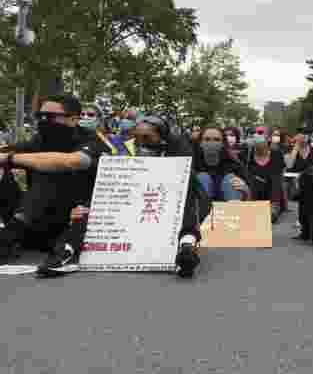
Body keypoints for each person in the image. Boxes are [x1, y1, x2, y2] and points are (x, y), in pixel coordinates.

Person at [0, 94, 107, 276]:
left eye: (49, 116)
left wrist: (11, 158)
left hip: (70, 222)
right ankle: (9, 237)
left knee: (51, 170)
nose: (43, 121)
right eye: (39, 116)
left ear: (73, 119)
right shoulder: (38, 140)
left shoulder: (91, 140)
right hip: (32, 222)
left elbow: (73, 161)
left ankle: (63, 253)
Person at [91, 115, 206, 277]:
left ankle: (187, 245)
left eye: (147, 137)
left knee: (189, 192)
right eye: (137, 136)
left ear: (162, 136)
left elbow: (184, 179)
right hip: (133, 198)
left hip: (168, 198)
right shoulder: (124, 147)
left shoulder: (178, 149)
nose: (141, 141)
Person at [194, 126, 251, 202]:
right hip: (201, 210)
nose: (212, 143)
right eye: (207, 139)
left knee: (230, 179)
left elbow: (250, 198)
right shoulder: (190, 167)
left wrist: (246, 191)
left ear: (223, 143)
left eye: (217, 140)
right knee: (202, 178)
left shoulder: (235, 166)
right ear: (200, 143)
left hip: (229, 210)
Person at [246, 131, 286, 223]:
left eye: (262, 140)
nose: (259, 143)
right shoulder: (247, 155)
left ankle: (274, 208)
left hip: (272, 193)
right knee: (254, 179)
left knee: (275, 177)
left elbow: (280, 177)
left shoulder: (276, 154)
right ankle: (252, 208)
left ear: (267, 141)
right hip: (254, 192)